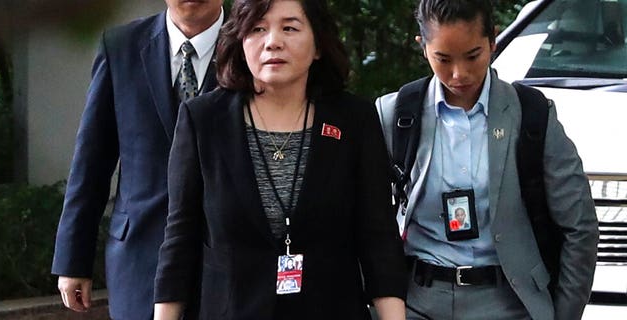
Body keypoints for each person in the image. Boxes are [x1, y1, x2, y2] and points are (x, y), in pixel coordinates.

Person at [153, 0, 407, 319]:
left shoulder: (353, 119)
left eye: (290, 27)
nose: (273, 41)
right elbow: (180, 238)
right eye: (258, 28)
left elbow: (378, 235)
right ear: (240, 40)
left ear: (318, 45)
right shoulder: (203, 120)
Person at [375, 1, 599, 319]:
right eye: (443, 58)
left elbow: (580, 227)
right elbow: (362, 222)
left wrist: (564, 313)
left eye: (472, 56)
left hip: (509, 302)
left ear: (493, 41)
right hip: (416, 301)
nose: (459, 74)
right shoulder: (394, 115)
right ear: (422, 47)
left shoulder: (532, 114)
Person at [51, 1, 224, 319]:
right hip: (139, 255)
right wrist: (73, 258)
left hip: (226, 260)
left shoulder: (251, 45)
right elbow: (92, 159)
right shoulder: (121, 46)